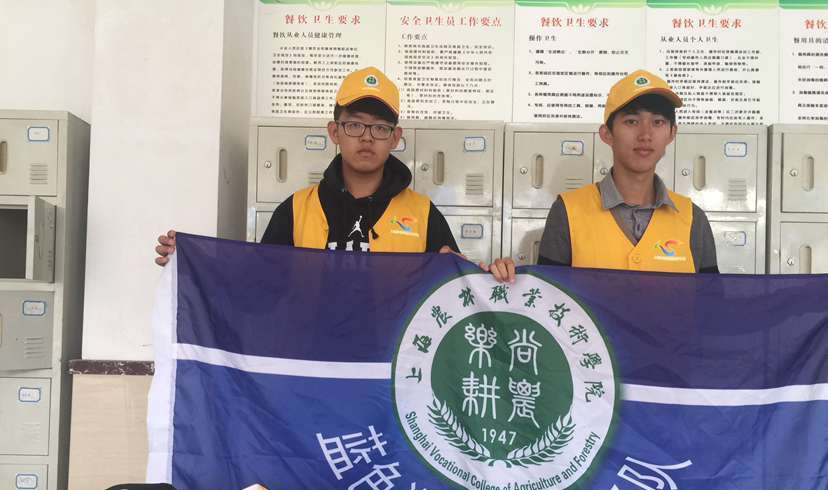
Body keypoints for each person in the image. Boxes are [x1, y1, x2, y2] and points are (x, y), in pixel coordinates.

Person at [156, 66, 515, 282]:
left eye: (380, 128)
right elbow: (256, 281)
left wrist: (495, 277)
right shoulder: (296, 210)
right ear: (334, 132)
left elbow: (454, 289)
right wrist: (192, 263)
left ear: (395, 138)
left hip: (389, 367)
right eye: (355, 125)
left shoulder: (423, 215)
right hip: (314, 362)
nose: (366, 138)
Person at [537, 70, 718, 273]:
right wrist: (509, 278)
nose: (646, 135)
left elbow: (710, 293)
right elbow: (545, 290)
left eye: (658, 122)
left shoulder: (693, 219)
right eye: (632, 121)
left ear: (672, 133)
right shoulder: (567, 212)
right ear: (607, 134)